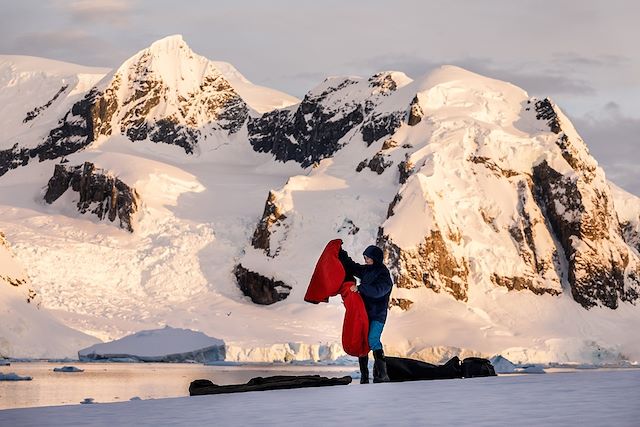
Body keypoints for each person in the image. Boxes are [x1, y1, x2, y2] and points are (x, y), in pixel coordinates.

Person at [338, 244, 393, 383]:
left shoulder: (384, 275)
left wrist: (360, 288)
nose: (366, 260)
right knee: (362, 342)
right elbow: (353, 267)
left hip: (377, 315)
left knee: (373, 340)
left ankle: (382, 375)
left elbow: (378, 291)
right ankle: (364, 376)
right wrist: (341, 253)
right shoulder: (367, 270)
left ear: (375, 258)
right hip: (365, 313)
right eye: (365, 257)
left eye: (368, 258)